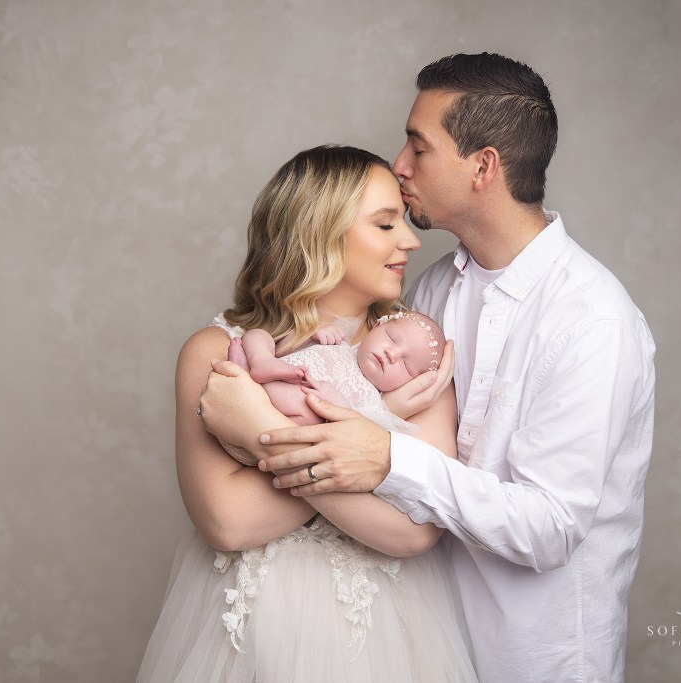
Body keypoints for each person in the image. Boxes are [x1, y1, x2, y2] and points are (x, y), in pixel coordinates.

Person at [203, 53, 657, 682]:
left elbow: (551, 527)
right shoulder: (433, 290)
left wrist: (388, 458)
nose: (400, 163)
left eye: (420, 145)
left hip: (530, 658)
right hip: (416, 637)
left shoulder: (591, 320)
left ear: (484, 167)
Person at [138, 145, 477, 682]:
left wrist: (259, 436)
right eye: (386, 225)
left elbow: (414, 531)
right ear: (318, 233)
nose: (411, 240)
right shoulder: (215, 350)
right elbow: (229, 521)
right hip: (253, 631)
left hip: (384, 635)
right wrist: (364, 466)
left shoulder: (414, 353)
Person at [225, 311, 446, 428]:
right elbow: (285, 347)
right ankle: (259, 362)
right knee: (260, 335)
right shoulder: (340, 341)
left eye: (406, 365)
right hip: (270, 375)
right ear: (378, 326)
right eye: (391, 338)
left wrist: (337, 403)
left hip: (273, 412)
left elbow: (355, 428)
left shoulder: (372, 401)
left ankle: (248, 379)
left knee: (309, 416)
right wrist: (312, 335)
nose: (392, 354)